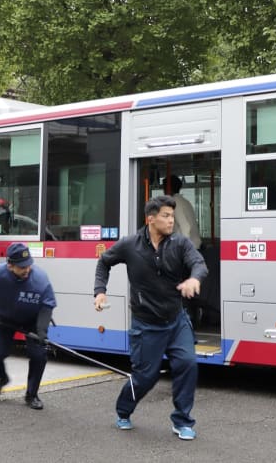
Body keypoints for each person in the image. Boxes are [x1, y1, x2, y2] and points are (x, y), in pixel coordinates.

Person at [93, 194, 208, 440]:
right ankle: (124, 410)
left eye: (172, 216)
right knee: (146, 376)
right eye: (166, 216)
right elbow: (104, 263)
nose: (170, 221)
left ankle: (182, 421)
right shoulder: (130, 244)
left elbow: (199, 263)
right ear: (151, 219)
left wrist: (194, 278)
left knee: (187, 364)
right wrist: (100, 292)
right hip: (146, 324)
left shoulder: (180, 243)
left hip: (176, 320)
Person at [0, 243, 56, 409]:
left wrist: (42, 331)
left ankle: (31, 394)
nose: (27, 270)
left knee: (38, 355)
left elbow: (47, 305)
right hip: (4, 319)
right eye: (22, 267)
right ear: (9, 265)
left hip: (32, 320)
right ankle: (2, 377)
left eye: (29, 265)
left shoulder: (40, 279)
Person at [164, 174, 201, 249]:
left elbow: (185, 227)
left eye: (164, 187)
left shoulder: (175, 201)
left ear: (169, 188)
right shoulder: (184, 201)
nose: (164, 191)